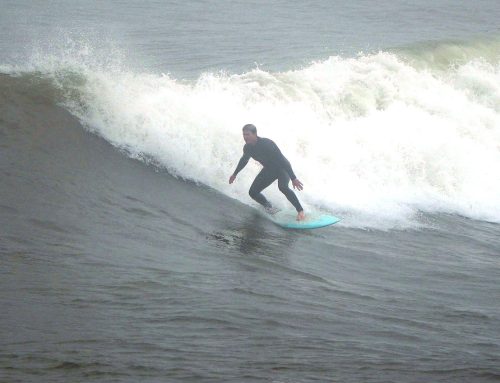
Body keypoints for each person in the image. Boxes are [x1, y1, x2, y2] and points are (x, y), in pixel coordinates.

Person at [229, 124, 305, 221]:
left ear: (255, 134)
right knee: (253, 192)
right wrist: (235, 174)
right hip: (269, 170)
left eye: (247, 134)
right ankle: (269, 206)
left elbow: (283, 161)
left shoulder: (267, 144)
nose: (245, 137)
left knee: (283, 187)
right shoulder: (247, 148)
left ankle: (300, 211)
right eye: (244, 134)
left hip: (282, 168)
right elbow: (244, 160)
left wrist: (293, 178)